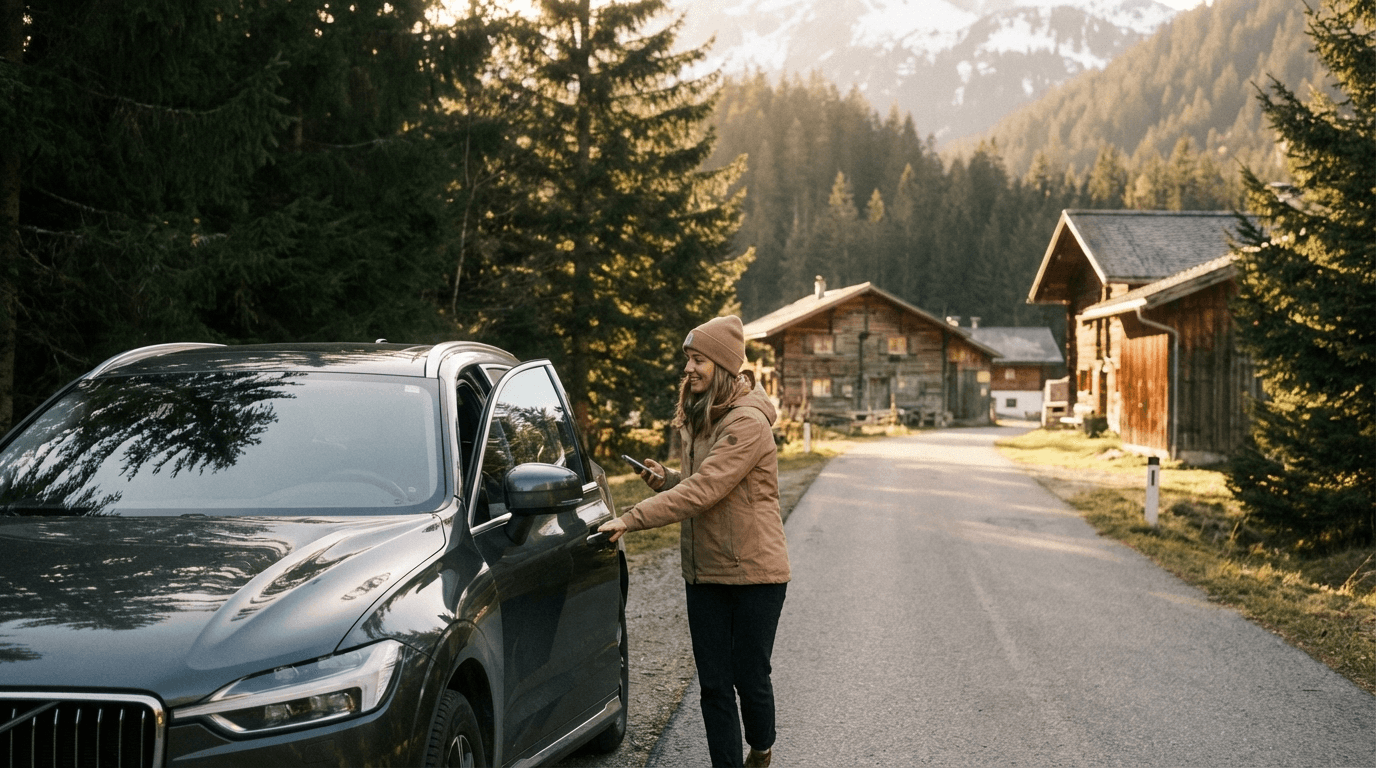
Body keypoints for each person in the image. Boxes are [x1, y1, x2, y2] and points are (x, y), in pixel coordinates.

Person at [599, 315, 791, 768]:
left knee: (749, 676)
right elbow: (701, 482)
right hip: (704, 571)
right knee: (713, 684)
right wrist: (666, 480)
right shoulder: (705, 413)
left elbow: (706, 490)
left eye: (698, 359)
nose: (689, 368)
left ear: (722, 366)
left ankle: (761, 748)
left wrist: (631, 518)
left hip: (755, 573)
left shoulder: (747, 424)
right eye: (687, 359)